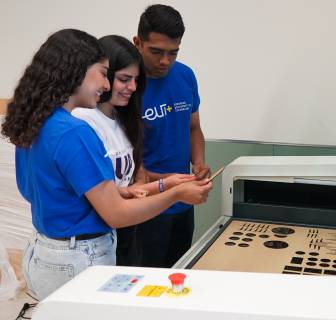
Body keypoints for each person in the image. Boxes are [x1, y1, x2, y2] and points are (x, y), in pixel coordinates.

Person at [1, 29, 212, 300]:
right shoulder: (75, 132)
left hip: (43, 252)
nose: (106, 84)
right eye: (103, 72)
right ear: (76, 70)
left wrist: (150, 186)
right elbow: (116, 214)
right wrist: (175, 194)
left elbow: (49, 191)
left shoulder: (37, 123)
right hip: (77, 260)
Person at [72, 35, 196, 266]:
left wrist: (167, 183)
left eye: (135, 80)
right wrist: (173, 190)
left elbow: (129, 185)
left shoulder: (121, 118)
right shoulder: (83, 121)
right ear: (105, 77)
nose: (132, 87)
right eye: (124, 79)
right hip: (96, 239)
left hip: (124, 234)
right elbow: (112, 201)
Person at [133, 4, 210, 268]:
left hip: (183, 203)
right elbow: (127, 166)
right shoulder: (126, 87)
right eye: (156, 52)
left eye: (173, 53)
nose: (165, 60)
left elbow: (194, 128)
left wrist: (198, 163)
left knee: (178, 274)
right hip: (145, 207)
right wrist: (168, 183)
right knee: (146, 283)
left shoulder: (185, 76)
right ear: (138, 43)